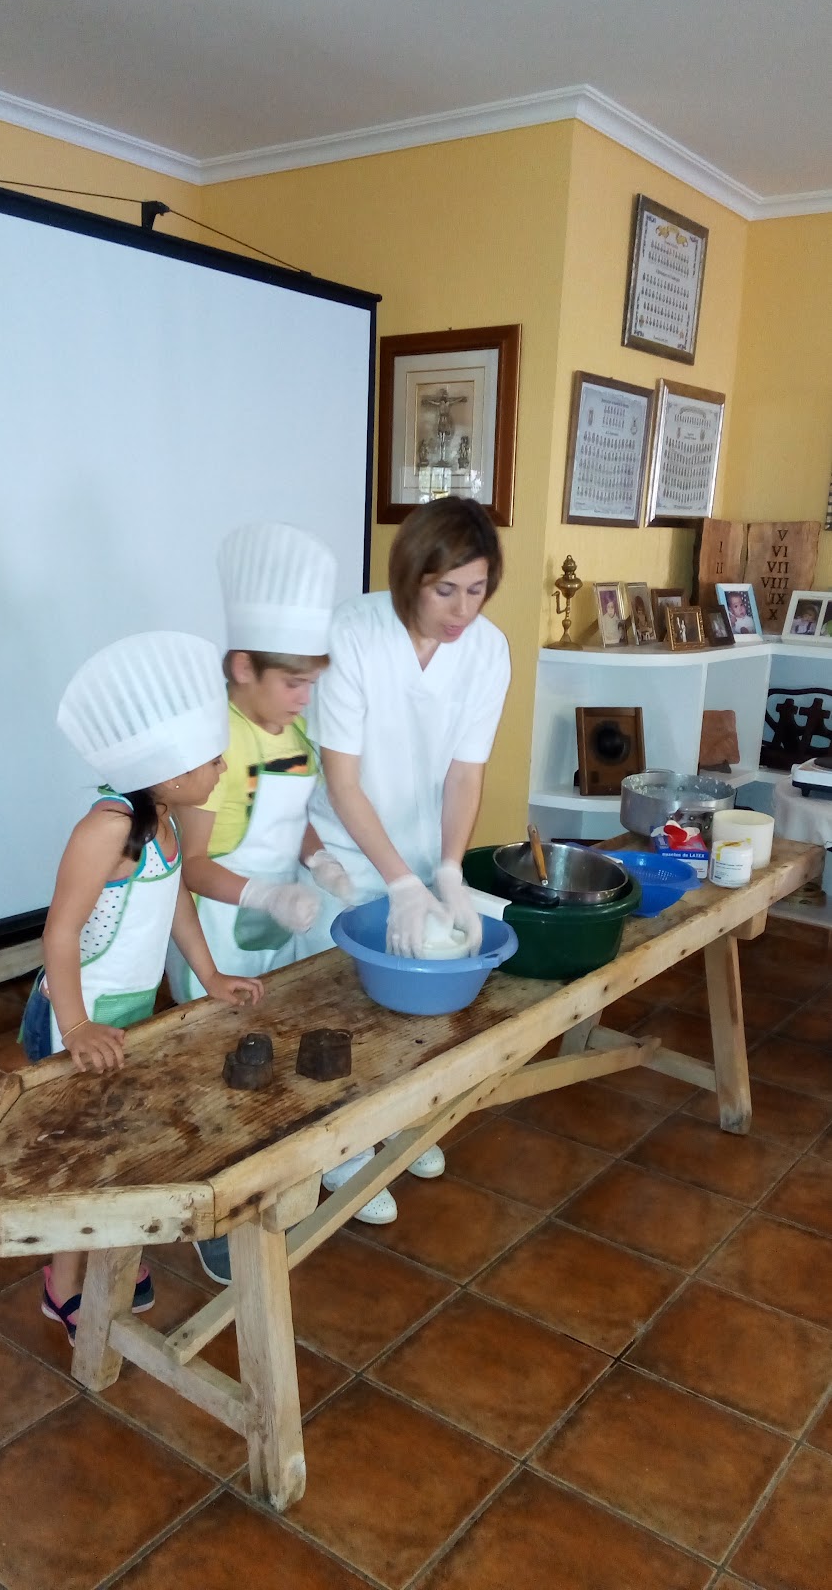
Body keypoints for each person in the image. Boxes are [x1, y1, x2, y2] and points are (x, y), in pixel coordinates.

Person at [20, 631, 263, 1342]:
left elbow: (173, 898)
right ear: (164, 770)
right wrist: (75, 1026)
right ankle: (63, 1284)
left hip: (124, 1015)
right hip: (75, 1016)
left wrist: (209, 975)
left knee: (117, 1142)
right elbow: (60, 933)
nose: (222, 767)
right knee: (83, 1158)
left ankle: (110, 1255)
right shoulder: (106, 829)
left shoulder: (166, 822)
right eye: (211, 758)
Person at [300, 495, 511, 1222]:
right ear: (410, 576)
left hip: (421, 851)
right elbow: (343, 780)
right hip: (345, 850)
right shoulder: (353, 635)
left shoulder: (487, 649)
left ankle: (394, 1126)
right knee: (340, 1008)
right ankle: (340, 1149)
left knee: (408, 1008)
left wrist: (446, 869)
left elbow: (465, 774)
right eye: (445, 590)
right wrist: (395, 880)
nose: (462, 611)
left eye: (477, 590)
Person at [166, 522, 354, 1280]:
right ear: (243, 668)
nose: (306, 698)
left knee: (265, 1050)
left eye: (311, 683)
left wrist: (318, 860)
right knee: (216, 1065)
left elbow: (293, 814)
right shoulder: (216, 743)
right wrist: (266, 893)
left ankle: (271, 1179)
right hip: (215, 930)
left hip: (269, 923)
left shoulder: (289, 730)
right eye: (293, 683)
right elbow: (191, 867)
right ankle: (213, 1217)